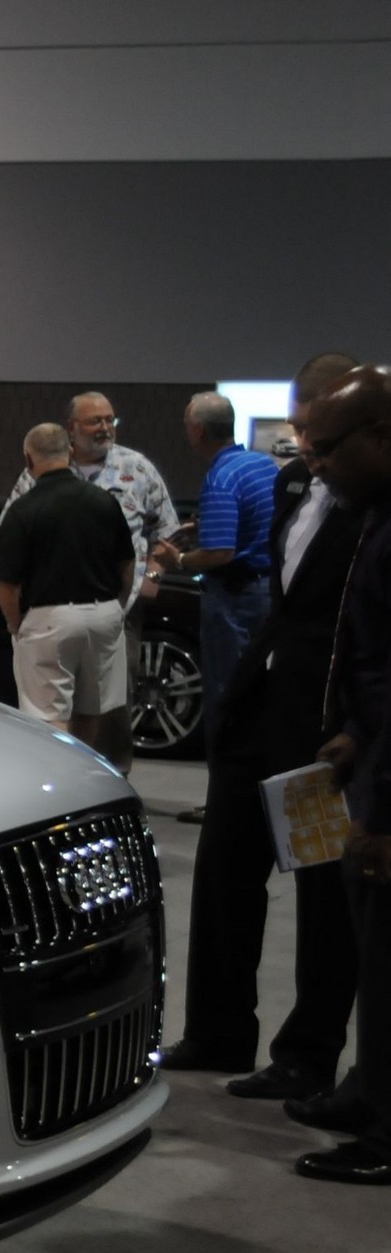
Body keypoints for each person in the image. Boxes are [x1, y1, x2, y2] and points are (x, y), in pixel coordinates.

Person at [167, 355, 363, 1091]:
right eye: (303, 412)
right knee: (223, 868)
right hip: (261, 705)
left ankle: (306, 1054)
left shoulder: (370, 502)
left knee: (320, 891)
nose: (308, 430)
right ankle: (218, 1032)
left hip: (323, 720)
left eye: (322, 418)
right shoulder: (290, 484)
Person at [301, 364, 391, 1183]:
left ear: (381, 437)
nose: (316, 463)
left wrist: (383, 814)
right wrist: (355, 735)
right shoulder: (377, 517)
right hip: (373, 759)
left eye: (330, 448)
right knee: (375, 958)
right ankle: (370, 1091)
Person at [9, 392, 182, 771]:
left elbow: (168, 530)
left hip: (118, 608)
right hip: (51, 606)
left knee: (112, 702)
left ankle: (113, 777)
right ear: (71, 427)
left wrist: (153, 573)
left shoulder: (136, 468)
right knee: (55, 703)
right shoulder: (40, 472)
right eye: (95, 421)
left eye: (110, 420)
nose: (105, 428)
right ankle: (64, 778)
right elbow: (12, 529)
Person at [0, 422, 135, 758]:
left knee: (49, 716)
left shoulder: (23, 510)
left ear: (28, 458)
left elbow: (7, 584)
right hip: (103, 614)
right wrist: (117, 605)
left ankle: (60, 785)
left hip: (50, 619)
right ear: (70, 453)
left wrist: (16, 626)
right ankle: (85, 782)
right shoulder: (104, 501)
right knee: (90, 710)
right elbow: (127, 564)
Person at [153, 392, 280, 719]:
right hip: (268, 589)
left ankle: (227, 768)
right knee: (261, 691)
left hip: (234, 600)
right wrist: (205, 524)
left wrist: (177, 561)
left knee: (227, 694)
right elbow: (258, 521)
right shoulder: (262, 464)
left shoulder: (220, 479)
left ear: (198, 431)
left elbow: (220, 553)